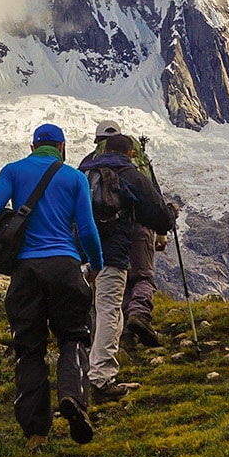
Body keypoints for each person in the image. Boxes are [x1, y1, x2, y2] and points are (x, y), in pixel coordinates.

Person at [0, 123, 104, 450]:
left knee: (29, 347)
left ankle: (36, 433)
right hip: (65, 266)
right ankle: (72, 398)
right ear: (62, 147)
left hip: (26, 273)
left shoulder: (14, 171)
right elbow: (87, 230)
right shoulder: (74, 177)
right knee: (74, 337)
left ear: (33, 146)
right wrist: (97, 264)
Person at [78, 133, 176, 402]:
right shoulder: (129, 173)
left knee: (95, 308)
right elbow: (155, 213)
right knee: (110, 308)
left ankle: (85, 370)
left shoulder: (84, 170)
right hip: (113, 252)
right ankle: (101, 379)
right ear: (131, 153)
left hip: (82, 252)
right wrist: (169, 216)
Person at [83, 120, 169, 348]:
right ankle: (139, 315)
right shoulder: (136, 165)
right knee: (141, 277)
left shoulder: (89, 165)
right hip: (140, 229)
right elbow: (154, 198)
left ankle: (122, 336)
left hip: (101, 233)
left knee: (111, 285)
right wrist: (162, 231)